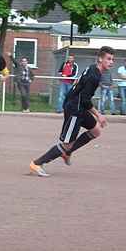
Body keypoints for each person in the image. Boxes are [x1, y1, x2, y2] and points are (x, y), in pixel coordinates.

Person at [30, 46, 114, 177]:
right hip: (75, 109)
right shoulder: (94, 75)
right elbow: (85, 100)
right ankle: (37, 163)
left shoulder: (93, 68)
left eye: (112, 59)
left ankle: (67, 153)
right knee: (67, 144)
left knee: (96, 130)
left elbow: (80, 91)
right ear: (100, 59)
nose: (111, 62)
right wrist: (99, 115)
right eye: (108, 59)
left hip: (78, 106)